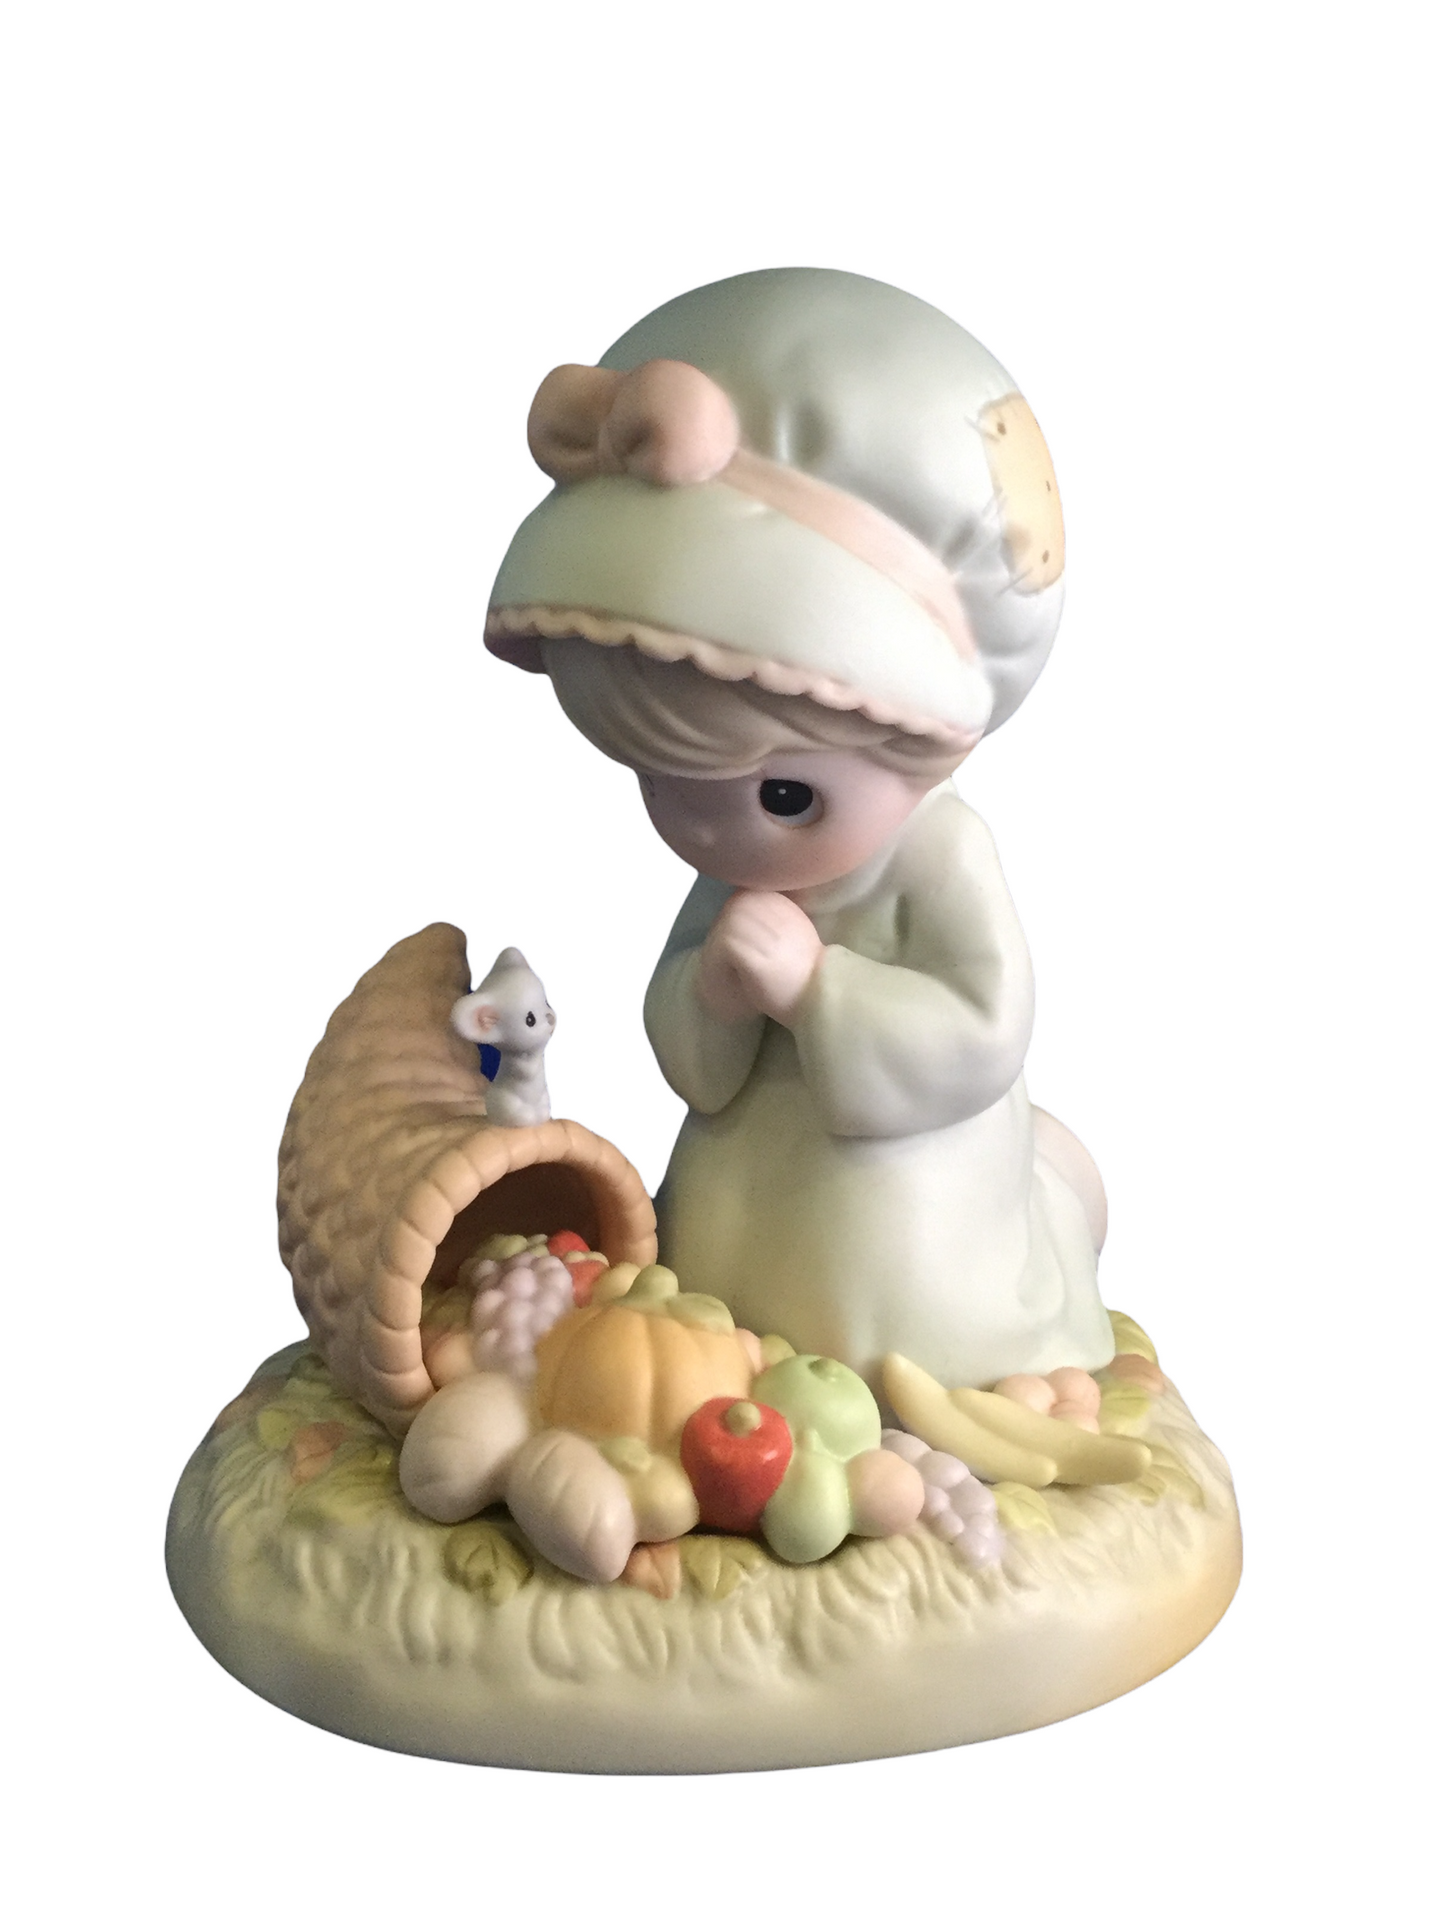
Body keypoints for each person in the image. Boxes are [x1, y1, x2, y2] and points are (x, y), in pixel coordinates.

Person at [484, 267, 1115, 1393]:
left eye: (784, 797)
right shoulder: (734, 874)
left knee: (894, 1344)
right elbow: (684, 1035)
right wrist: (714, 997)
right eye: (664, 784)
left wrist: (819, 991)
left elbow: (986, 1024)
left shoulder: (940, 852)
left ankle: (949, 1363)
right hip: (735, 1203)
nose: (725, 838)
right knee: (698, 1327)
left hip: (907, 1218)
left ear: (926, 740)